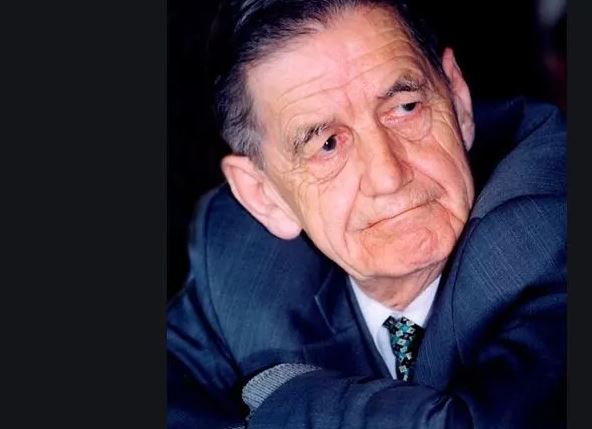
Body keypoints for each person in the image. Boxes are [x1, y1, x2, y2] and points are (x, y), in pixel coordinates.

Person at [167, 1, 566, 428]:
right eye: (327, 144)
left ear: (458, 101)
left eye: (406, 107)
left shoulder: (550, 225)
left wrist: (280, 399)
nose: (387, 176)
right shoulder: (240, 258)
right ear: (264, 196)